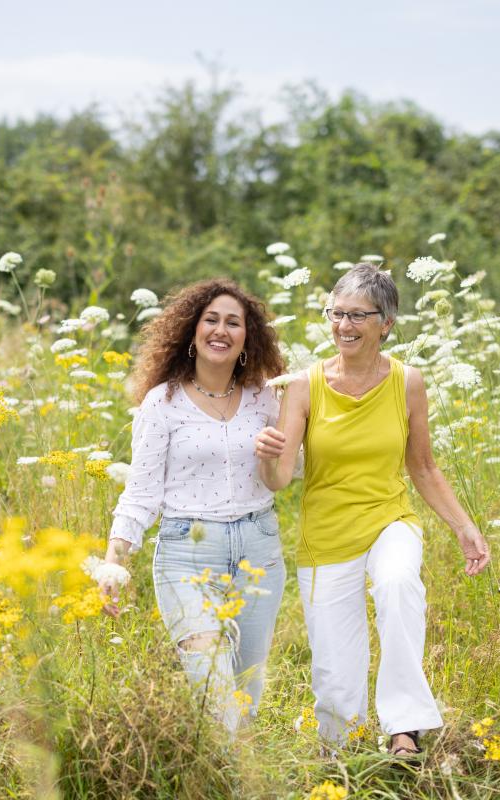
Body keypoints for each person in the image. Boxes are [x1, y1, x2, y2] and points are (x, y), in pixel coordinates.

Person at [255, 263, 490, 755]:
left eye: (358, 315)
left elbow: (423, 467)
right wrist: (268, 457)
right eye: (336, 314)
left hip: (390, 520)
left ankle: (405, 727)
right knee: (336, 685)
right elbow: (278, 482)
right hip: (326, 536)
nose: (344, 325)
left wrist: (464, 527)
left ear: (386, 323)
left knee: (398, 582)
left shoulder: (408, 383)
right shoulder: (304, 387)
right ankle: (344, 751)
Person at [98, 279, 287, 732]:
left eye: (233, 323)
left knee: (245, 691)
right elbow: (142, 492)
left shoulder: (266, 398)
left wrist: (276, 453)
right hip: (186, 554)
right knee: (215, 690)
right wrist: (114, 560)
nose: (221, 330)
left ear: (247, 336)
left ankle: (237, 777)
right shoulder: (162, 403)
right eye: (211, 320)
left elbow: (290, 472)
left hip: (258, 549)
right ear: (192, 331)